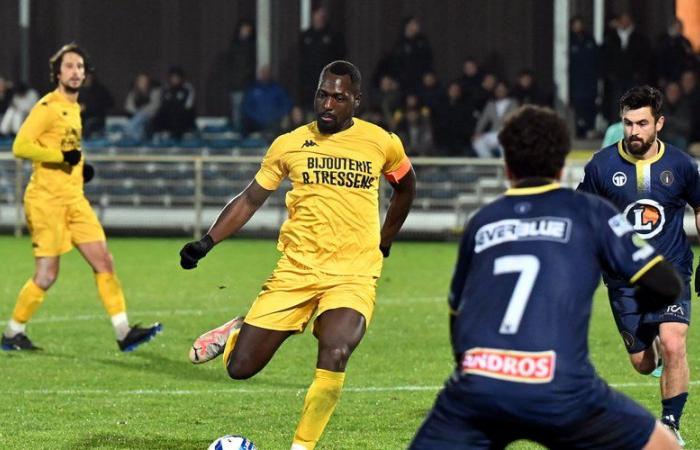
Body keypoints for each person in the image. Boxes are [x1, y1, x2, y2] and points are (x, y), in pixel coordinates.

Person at [409, 104, 682, 449]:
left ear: (506, 167)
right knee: (665, 446)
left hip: (480, 387)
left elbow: (456, 316)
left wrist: (481, 371)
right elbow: (666, 283)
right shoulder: (590, 211)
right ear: (562, 164)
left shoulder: (482, 221)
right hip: (562, 388)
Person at [179, 60, 415, 450]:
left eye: (339, 97)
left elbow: (406, 188)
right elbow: (251, 199)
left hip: (352, 275)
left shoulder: (381, 142)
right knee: (241, 369)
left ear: (355, 100)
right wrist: (206, 242)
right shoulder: (289, 144)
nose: (328, 104)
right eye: (322, 94)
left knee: (336, 351)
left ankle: (301, 446)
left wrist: (384, 239)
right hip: (296, 271)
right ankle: (239, 329)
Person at [1, 43, 162, 352]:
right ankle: (12, 334)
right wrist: (61, 157)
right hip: (46, 201)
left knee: (104, 261)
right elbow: (20, 146)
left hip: (74, 199)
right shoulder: (48, 106)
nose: (75, 71)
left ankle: (123, 332)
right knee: (47, 275)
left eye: (80, 67)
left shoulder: (74, 108)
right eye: (69, 66)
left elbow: (68, 149)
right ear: (58, 73)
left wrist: (78, 167)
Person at [578, 86, 700, 445]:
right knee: (643, 363)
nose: (634, 131)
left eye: (642, 123)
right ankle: (656, 354)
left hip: (670, 269)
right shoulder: (601, 166)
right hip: (623, 279)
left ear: (659, 123)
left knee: (674, 342)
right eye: (628, 123)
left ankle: (671, 424)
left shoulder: (680, 165)